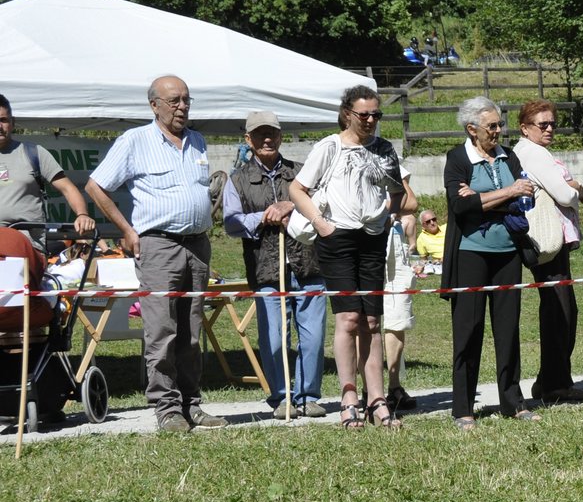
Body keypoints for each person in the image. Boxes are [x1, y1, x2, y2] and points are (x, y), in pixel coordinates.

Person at [85, 76, 226, 433]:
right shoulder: (134, 141)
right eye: (174, 101)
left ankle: (192, 404)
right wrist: (128, 231)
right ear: (154, 105)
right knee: (162, 329)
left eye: (187, 100)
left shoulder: (196, 141)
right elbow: (96, 186)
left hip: (197, 245)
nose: (182, 107)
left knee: (191, 331)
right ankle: (166, 408)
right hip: (158, 245)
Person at [289, 84, 414, 430]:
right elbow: (297, 189)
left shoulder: (385, 149)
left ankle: (377, 398)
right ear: (348, 114)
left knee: (372, 322)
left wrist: (385, 214)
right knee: (347, 320)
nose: (371, 120)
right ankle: (349, 398)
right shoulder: (329, 147)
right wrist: (321, 224)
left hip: (373, 239)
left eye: (376, 114)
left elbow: (398, 192)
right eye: (364, 114)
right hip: (337, 239)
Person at [442, 96, 541, 429]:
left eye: (500, 124)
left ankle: (513, 402)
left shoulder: (507, 156)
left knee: (508, 329)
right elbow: (460, 207)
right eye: (492, 126)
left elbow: (525, 197)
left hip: (507, 253)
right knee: (468, 331)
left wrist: (487, 199)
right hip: (470, 253)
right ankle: (463, 408)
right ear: (472, 130)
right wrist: (506, 194)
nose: (499, 131)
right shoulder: (457, 159)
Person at [221, 111, 327, 419]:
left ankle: (307, 396)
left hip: (307, 266)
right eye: (259, 134)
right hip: (266, 270)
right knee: (274, 338)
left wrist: (292, 205)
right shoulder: (237, 179)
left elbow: (323, 202)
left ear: (281, 136)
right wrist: (264, 216)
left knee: (313, 337)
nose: (267, 139)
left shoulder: (302, 172)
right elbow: (231, 223)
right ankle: (282, 398)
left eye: (273, 133)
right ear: (248, 140)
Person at [513, 98, 583, 403]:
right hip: (549, 240)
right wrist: (577, 187)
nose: (549, 129)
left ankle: (549, 379)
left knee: (558, 307)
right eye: (541, 124)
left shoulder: (523, 151)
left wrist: (571, 187)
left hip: (540, 241)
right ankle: (555, 385)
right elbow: (565, 193)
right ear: (524, 127)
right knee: (561, 311)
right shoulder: (534, 153)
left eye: (552, 124)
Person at [0, 94, 96, 236]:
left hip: (28, 245)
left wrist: (83, 214)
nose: (0, 126)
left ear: (12, 122)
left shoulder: (33, 152)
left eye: (3, 120)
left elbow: (68, 188)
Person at [381, 213, 418, 413]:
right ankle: (370, 390)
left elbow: (410, 202)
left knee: (397, 319)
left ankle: (394, 387)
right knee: (363, 319)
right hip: (361, 235)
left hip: (394, 241)